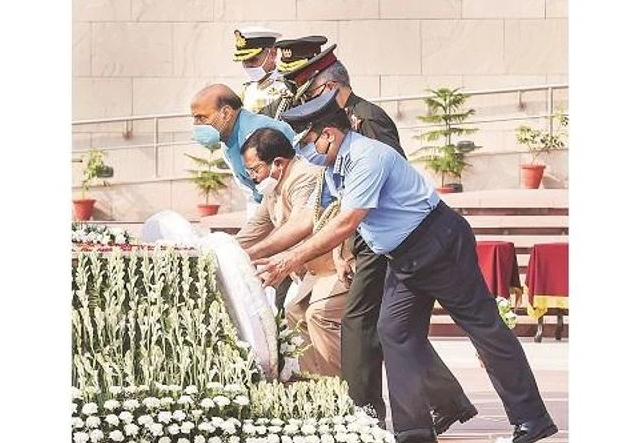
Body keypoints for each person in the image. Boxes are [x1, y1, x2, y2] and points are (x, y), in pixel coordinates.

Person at [253, 89, 558, 443]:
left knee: (485, 329)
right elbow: (335, 217)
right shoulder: (338, 163)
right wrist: (331, 254)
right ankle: (414, 432)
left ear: (328, 134)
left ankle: (532, 418)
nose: (303, 150)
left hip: (438, 245)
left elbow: (348, 220)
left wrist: (291, 258)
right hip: (403, 256)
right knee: (395, 333)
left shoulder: (367, 157)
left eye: (306, 140)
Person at [254, 39, 476, 434]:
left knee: (361, 325)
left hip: (378, 240)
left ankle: (366, 415)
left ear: (326, 86)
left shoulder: (367, 120)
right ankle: (444, 400)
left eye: (309, 92)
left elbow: (378, 189)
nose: (305, 103)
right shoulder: (335, 128)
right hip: (359, 239)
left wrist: (345, 246)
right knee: (383, 329)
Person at [234, 128, 349, 376]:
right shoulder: (273, 189)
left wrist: (251, 253)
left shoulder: (303, 176)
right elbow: (254, 230)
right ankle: (316, 390)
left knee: (319, 316)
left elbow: (300, 224)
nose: (252, 177)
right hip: (314, 271)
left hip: (339, 265)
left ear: (278, 163)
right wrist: (222, 250)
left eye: (255, 170)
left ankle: (344, 395)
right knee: (294, 314)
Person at [189, 84, 295, 221]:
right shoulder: (228, 144)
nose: (196, 124)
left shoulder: (262, 135)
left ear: (226, 113)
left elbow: (285, 192)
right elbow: (254, 196)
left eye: (201, 118)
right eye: (194, 118)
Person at [232, 27, 291, 114]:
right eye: (244, 60)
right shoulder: (247, 89)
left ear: (272, 55)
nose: (248, 65)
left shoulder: (286, 87)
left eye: (253, 60)